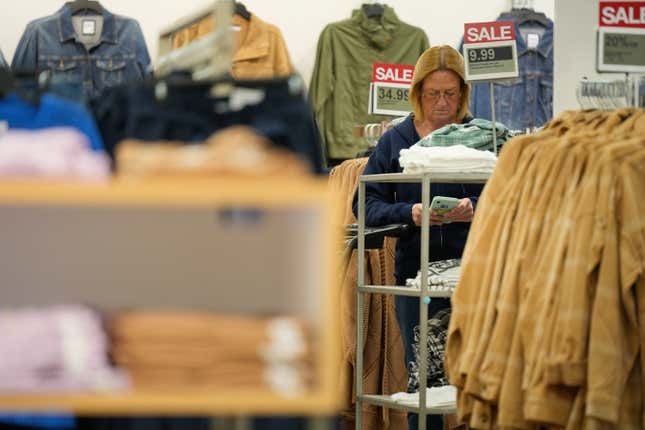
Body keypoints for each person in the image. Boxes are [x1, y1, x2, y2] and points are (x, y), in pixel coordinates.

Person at [352, 45, 484, 429]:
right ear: (417, 93)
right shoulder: (396, 141)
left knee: (473, 372)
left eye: (450, 93)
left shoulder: (479, 136)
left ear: (462, 93)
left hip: (470, 271)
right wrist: (409, 213)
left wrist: (472, 206)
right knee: (422, 374)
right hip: (414, 275)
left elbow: (506, 194)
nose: (442, 102)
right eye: (433, 94)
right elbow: (365, 203)